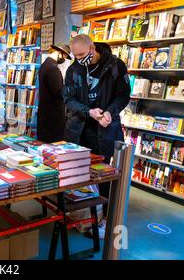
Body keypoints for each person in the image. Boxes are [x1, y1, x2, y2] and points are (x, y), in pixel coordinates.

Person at [64, 34, 131, 238]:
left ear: (93, 48)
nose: (79, 59)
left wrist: (110, 112)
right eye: (75, 55)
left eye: (82, 54)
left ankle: (104, 220)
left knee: (104, 177)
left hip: (105, 130)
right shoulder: (73, 69)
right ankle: (84, 217)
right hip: (79, 131)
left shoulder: (115, 66)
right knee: (79, 174)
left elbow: (123, 95)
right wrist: (88, 111)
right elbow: (68, 98)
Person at [37, 43, 72, 143]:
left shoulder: (44, 65)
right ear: (60, 53)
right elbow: (58, 92)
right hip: (53, 116)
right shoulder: (53, 68)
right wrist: (71, 89)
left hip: (45, 114)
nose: (64, 59)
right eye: (65, 56)